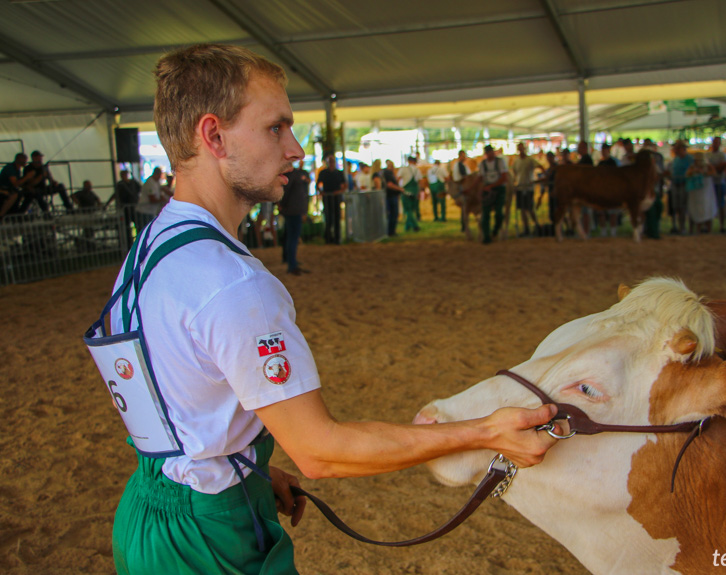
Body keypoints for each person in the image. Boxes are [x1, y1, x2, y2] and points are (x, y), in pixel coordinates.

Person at [93, 43, 557, 575]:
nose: (295, 149)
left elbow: (171, 392)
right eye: (276, 128)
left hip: (147, 512)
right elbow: (320, 451)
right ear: (213, 136)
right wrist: (485, 432)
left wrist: (240, 468)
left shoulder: (153, 243)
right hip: (207, 537)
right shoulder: (232, 282)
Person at [280, 162, 311, 275]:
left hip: (292, 210)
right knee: (293, 237)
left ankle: (291, 262)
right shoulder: (292, 175)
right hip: (293, 210)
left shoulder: (291, 175)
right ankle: (292, 264)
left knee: (291, 237)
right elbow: (286, 192)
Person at [478, 144, 508, 244]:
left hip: (498, 189)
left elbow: (504, 177)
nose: (490, 154)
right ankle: (486, 236)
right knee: (485, 214)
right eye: (488, 152)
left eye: (491, 152)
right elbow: (480, 178)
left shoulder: (500, 162)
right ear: (486, 154)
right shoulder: (482, 164)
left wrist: (492, 186)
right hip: (487, 189)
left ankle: (495, 231)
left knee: (499, 213)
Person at [105, 169, 142, 250]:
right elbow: (115, 195)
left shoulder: (133, 182)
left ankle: (139, 242)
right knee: (126, 227)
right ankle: (129, 244)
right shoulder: (120, 185)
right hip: (125, 208)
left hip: (134, 207)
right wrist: (107, 204)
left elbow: (141, 190)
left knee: (138, 225)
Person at [511, 142, 542, 236]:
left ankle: (537, 226)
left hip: (528, 187)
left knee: (529, 208)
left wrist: (540, 178)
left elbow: (540, 166)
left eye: (522, 148)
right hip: (520, 187)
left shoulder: (530, 160)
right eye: (519, 148)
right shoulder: (516, 161)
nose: (521, 150)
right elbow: (514, 172)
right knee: (522, 209)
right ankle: (526, 228)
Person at [316, 154, 346, 244]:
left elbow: (344, 185)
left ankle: (337, 239)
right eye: (330, 162)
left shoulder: (339, 173)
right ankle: (328, 238)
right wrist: (322, 192)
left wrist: (339, 191)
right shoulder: (323, 173)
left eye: (333, 161)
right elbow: (317, 184)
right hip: (327, 198)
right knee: (328, 218)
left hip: (336, 198)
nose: (331, 163)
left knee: (337, 218)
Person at [595, 143, 621, 237]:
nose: (603, 152)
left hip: (611, 191)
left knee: (612, 212)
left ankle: (613, 231)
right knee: (601, 212)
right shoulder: (600, 163)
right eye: (602, 150)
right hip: (602, 191)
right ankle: (603, 230)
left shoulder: (613, 162)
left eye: (605, 150)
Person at [640, 139, 664, 240]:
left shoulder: (654, 166)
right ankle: (652, 232)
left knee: (658, 207)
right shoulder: (641, 167)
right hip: (645, 193)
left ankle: (652, 230)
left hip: (654, 192)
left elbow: (659, 177)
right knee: (651, 211)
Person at [668, 140, 693, 235]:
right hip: (675, 185)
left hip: (685, 185)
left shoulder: (689, 159)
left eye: (677, 148)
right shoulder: (675, 159)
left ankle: (687, 227)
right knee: (677, 207)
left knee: (684, 207)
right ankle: (680, 227)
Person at [704, 137, 726, 233]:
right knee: (708, 204)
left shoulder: (723, 155)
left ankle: (722, 225)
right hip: (709, 183)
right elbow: (706, 166)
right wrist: (713, 168)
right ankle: (708, 226)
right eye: (714, 142)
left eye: (717, 142)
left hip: (719, 182)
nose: (715, 144)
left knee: (721, 204)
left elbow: (722, 166)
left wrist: (712, 168)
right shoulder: (707, 155)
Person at [0, 153, 33, 218]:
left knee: (29, 194)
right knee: (15, 195)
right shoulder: (10, 168)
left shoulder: (17, 170)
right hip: (4, 189)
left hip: (9, 189)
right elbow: (15, 183)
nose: (25, 162)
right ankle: (2, 215)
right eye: (24, 160)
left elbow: (19, 183)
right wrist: (27, 177)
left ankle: (19, 213)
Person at [397, 156, 422, 232]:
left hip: (406, 191)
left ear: (408, 161)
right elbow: (420, 181)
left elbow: (398, 178)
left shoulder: (404, 169)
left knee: (408, 209)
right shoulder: (417, 170)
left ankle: (415, 226)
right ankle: (407, 226)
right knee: (411, 209)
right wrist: (419, 192)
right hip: (414, 191)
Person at [451, 150, 472, 232]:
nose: (465, 157)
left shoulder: (457, 164)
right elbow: (465, 176)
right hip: (462, 188)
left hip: (460, 187)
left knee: (464, 208)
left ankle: (464, 226)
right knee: (465, 207)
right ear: (460, 156)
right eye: (464, 156)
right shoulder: (460, 165)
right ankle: (464, 226)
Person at [382, 159, 403, 236]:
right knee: (392, 214)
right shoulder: (387, 174)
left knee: (393, 214)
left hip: (392, 196)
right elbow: (389, 185)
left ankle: (392, 231)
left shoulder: (390, 173)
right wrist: (400, 189)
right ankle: (390, 231)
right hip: (390, 196)